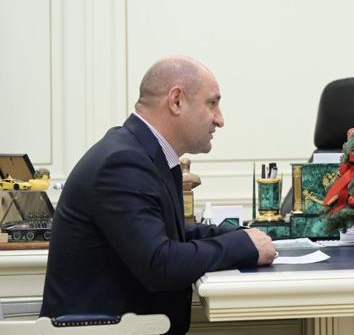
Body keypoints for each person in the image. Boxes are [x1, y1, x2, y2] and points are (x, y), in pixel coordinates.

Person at [41, 56, 275, 334]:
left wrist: (242, 235)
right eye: (212, 103)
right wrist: (243, 246)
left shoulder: (141, 152)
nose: (219, 119)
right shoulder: (121, 163)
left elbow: (173, 234)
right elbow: (159, 264)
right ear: (176, 101)